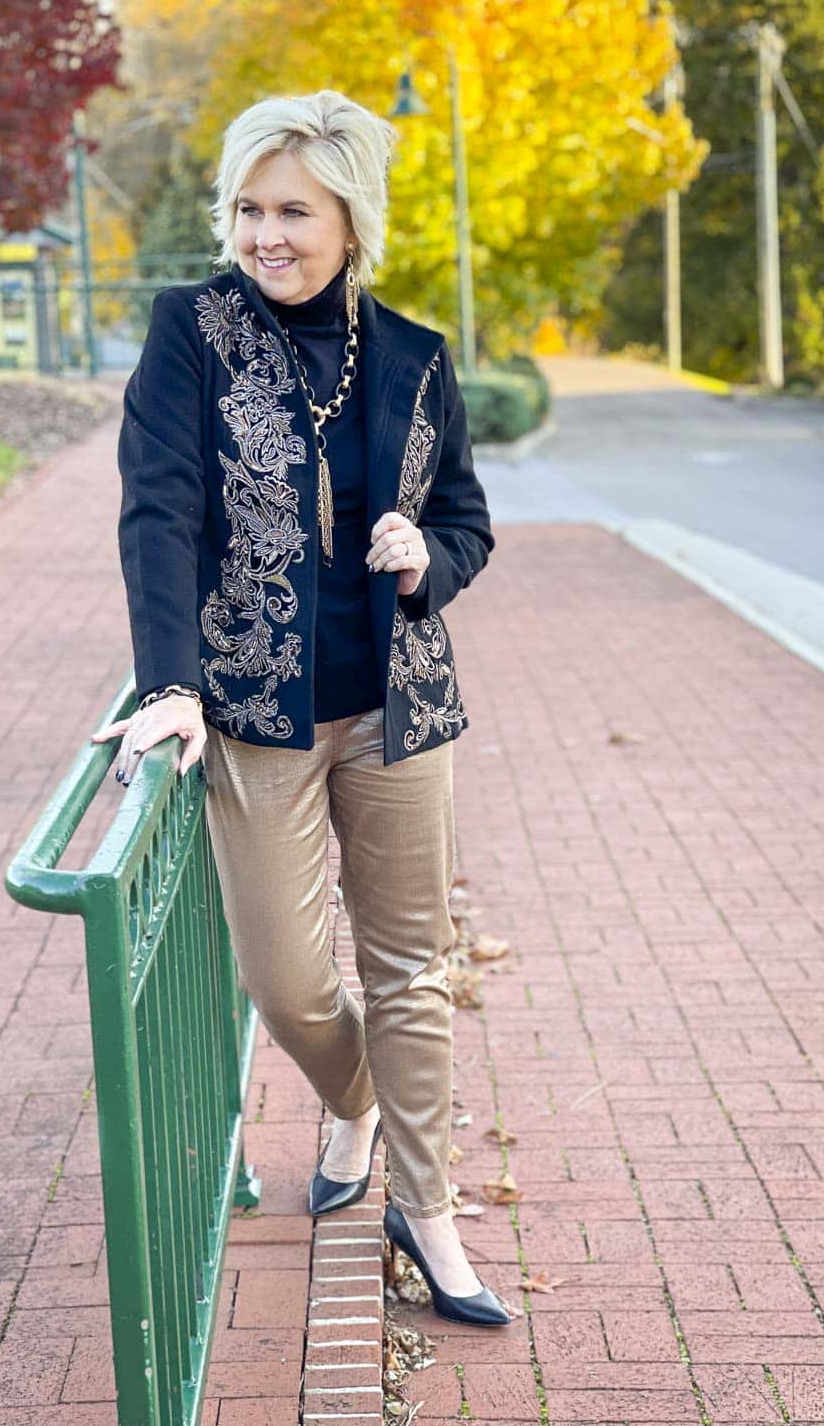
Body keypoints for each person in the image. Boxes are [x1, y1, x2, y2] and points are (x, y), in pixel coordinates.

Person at [93, 88, 511, 1327]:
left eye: (293, 210)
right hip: (255, 711)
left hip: (396, 705)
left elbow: (469, 521)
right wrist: (169, 685)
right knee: (287, 979)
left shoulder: (420, 357)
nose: (264, 234)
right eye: (247, 209)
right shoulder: (192, 331)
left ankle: (428, 1213)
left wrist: (422, 556)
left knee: (412, 970)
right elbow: (157, 513)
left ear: (351, 221)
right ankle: (356, 1101)